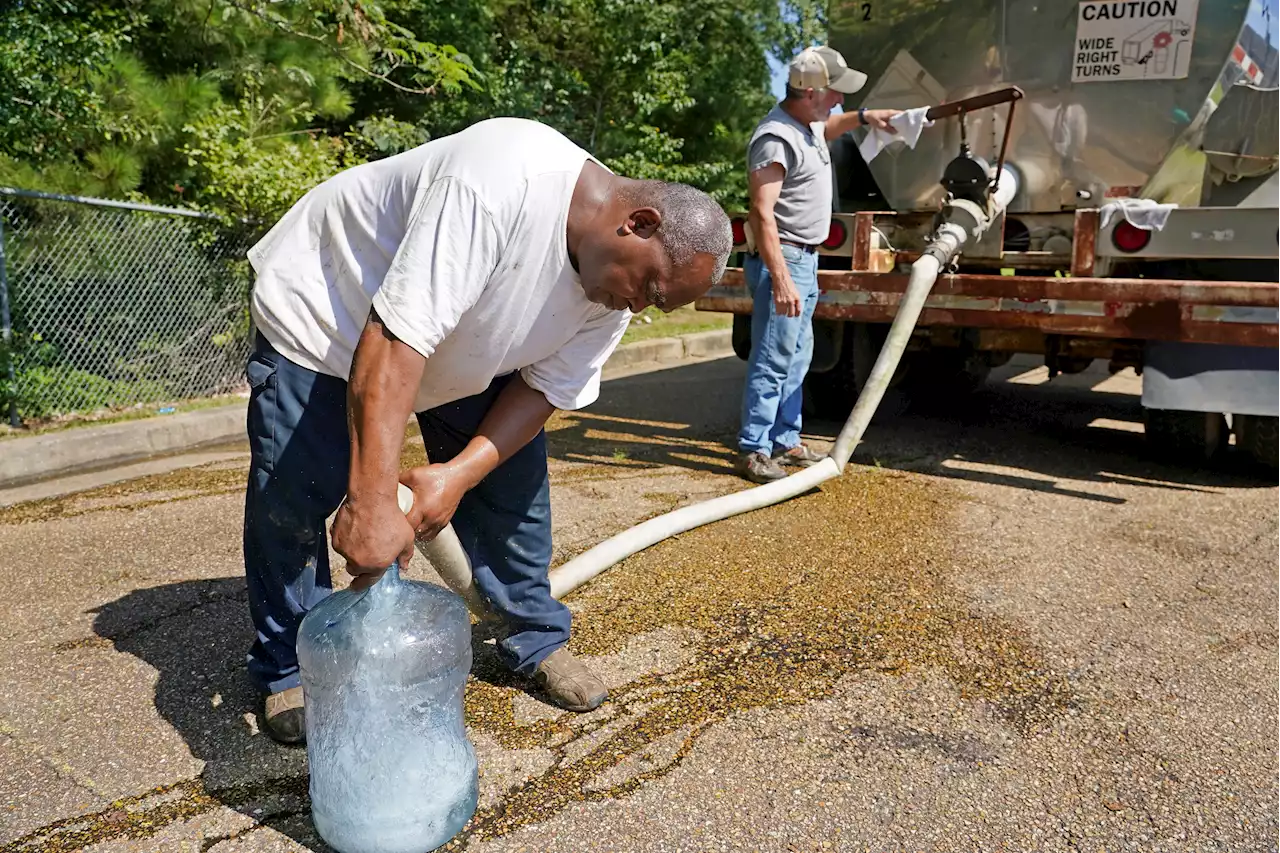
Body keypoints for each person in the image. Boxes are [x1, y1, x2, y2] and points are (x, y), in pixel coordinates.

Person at [241, 117, 732, 744]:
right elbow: (391, 343)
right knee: (294, 494)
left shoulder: (614, 286)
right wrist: (368, 502)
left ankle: (532, 636)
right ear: (637, 224)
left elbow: (545, 389)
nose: (640, 308)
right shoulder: (502, 179)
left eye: (656, 304)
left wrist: (455, 476)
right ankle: (290, 664)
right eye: (649, 288)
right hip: (328, 320)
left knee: (511, 490)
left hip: (454, 348)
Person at [735, 46, 902, 483]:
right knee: (773, 358)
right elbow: (761, 213)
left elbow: (833, 125)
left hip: (805, 259)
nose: (839, 103)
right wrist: (782, 279)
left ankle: (786, 440)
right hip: (784, 258)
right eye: (834, 94)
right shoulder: (776, 137)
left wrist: (867, 118)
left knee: (796, 356)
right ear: (810, 92)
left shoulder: (807, 126)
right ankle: (755, 448)